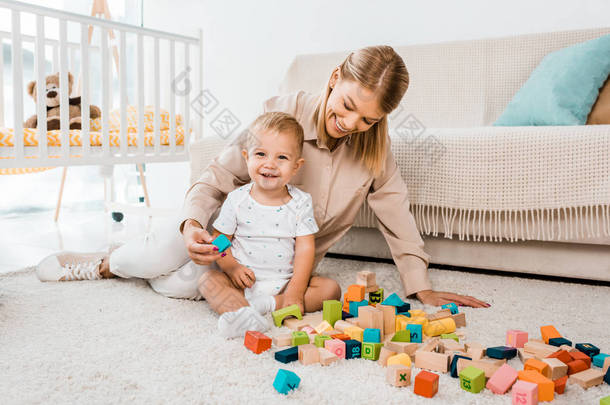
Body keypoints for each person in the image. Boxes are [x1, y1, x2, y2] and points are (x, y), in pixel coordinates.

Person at [36, 45, 489, 310]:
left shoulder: (375, 150)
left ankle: (136, 254)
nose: (352, 123)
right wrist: (193, 224)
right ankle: (103, 263)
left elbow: (397, 217)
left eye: (368, 119)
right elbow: (221, 172)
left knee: (180, 288)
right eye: (348, 106)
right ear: (335, 79)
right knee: (165, 253)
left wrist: (420, 284)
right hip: (226, 236)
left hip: (271, 266)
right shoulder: (285, 111)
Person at [204, 111, 339, 338]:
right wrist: (232, 268)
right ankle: (245, 312)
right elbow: (218, 241)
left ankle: (266, 305)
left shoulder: (300, 202)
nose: (270, 164)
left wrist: (295, 290)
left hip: (285, 284)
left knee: (330, 289)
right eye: (261, 154)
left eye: (282, 158)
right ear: (247, 157)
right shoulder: (237, 199)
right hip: (243, 282)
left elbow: (306, 249)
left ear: (296, 166)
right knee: (208, 280)